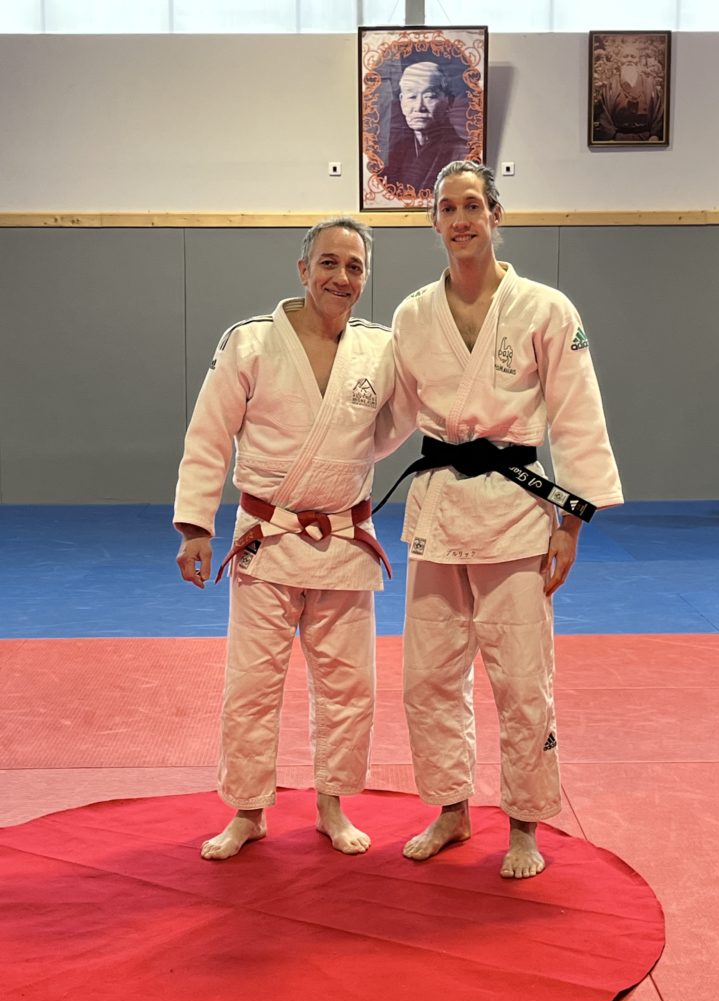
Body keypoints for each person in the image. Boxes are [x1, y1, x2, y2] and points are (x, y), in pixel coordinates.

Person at [386, 161, 623, 879]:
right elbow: (387, 416)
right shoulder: (411, 315)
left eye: (472, 206)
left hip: (516, 513)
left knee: (521, 681)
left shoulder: (546, 309)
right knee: (427, 678)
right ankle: (451, 809)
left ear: (496, 214)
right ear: (434, 221)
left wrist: (569, 525)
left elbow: (578, 419)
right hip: (437, 512)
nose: (460, 220)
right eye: (447, 208)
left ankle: (524, 824)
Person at [173, 217, 395, 860]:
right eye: (329, 263)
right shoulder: (250, 342)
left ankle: (332, 805)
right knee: (252, 685)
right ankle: (248, 811)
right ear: (303, 270)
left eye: (354, 267)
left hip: (345, 539)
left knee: (349, 687)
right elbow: (209, 434)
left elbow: (397, 423)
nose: (341, 277)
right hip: (266, 539)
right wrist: (195, 526)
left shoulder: (381, 349)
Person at [383, 61, 467, 193]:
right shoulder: (398, 150)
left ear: (449, 101)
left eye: (429, 96)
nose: (419, 107)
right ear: (401, 101)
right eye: (411, 97)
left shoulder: (462, 152)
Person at [593, 41, 664, 142]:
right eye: (625, 56)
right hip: (617, 138)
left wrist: (655, 134)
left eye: (633, 57)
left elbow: (658, 112)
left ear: (638, 60)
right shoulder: (611, 85)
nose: (629, 60)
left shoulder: (649, 84)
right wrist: (610, 136)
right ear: (620, 60)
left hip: (646, 138)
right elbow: (603, 113)